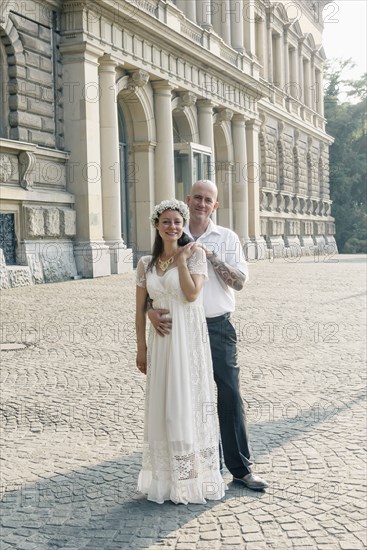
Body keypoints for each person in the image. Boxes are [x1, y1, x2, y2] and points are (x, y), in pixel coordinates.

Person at [148, 181, 269, 491]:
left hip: (216, 326)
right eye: (197, 198)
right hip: (180, 330)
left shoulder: (226, 238)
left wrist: (211, 257)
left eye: (208, 200)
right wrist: (150, 309)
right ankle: (204, 467)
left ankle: (241, 468)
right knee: (187, 398)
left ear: (215, 205)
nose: (202, 204)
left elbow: (239, 282)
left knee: (229, 394)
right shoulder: (172, 230)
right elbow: (152, 277)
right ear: (189, 200)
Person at [135, 198, 226, 504]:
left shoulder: (196, 255)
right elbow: (139, 308)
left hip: (186, 342)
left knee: (183, 407)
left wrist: (181, 262)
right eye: (166, 222)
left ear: (182, 225)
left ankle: (188, 480)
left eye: (177, 222)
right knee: (162, 408)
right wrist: (142, 346)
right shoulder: (146, 264)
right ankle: (164, 479)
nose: (172, 227)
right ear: (157, 226)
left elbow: (191, 295)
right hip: (160, 345)